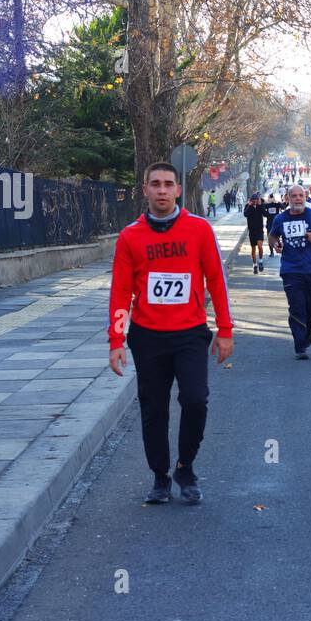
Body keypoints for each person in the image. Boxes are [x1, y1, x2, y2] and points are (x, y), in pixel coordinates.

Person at [108, 162, 234, 505]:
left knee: (195, 400)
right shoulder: (130, 236)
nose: (161, 190)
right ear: (145, 190)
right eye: (155, 184)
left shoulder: (199, 230)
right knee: (153, 408)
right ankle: (160, 476)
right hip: (147, 336)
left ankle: (185, 466)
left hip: (190, 333)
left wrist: (225, 329)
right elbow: (120, 293)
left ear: (178, 190)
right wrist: (116, 340)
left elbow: (216, 281)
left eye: (167, 184)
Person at [269, 184, 311, 359]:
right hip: (290, 270)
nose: (298, 199)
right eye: (294, 196)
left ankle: (306, 331)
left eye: (301, 196)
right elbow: (272, 236)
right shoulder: (280, 219)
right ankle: (300, 344)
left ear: (305, 197)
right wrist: (275, 245)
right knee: (297, 307)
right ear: (287, 199)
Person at [244, 192, 268, 273]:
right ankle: (254, 264)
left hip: (259, 230)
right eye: (253, 200)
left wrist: (260, 205)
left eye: (256, 200)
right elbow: (245, 214)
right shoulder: (248, 206)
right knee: (253, 248)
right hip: (252, 231)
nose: (255, 201)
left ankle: (260, 261)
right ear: (251, 200)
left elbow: (265, 214)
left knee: (260, 246)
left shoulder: (260, 206)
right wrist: (250, 205)